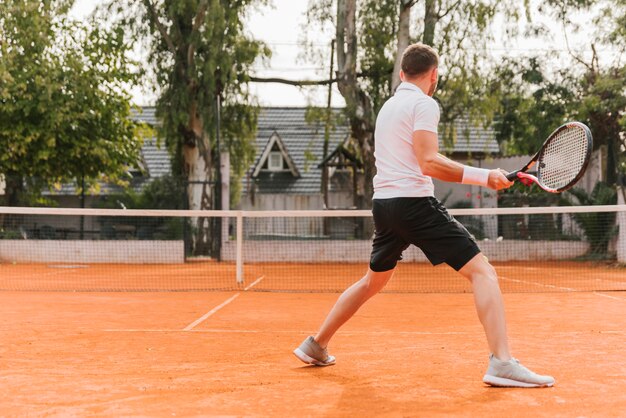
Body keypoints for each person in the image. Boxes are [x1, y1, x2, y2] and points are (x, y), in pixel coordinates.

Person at [293, 43, 555, 388]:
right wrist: (484, 176)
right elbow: (428, 161)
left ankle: (316, 344)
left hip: (384, 206)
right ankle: (502, 362)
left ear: (402, 73)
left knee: (373, 281)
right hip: (413, 204)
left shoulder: (388, 108)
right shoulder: (424, 103)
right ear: (433, 75)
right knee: (483, 272)